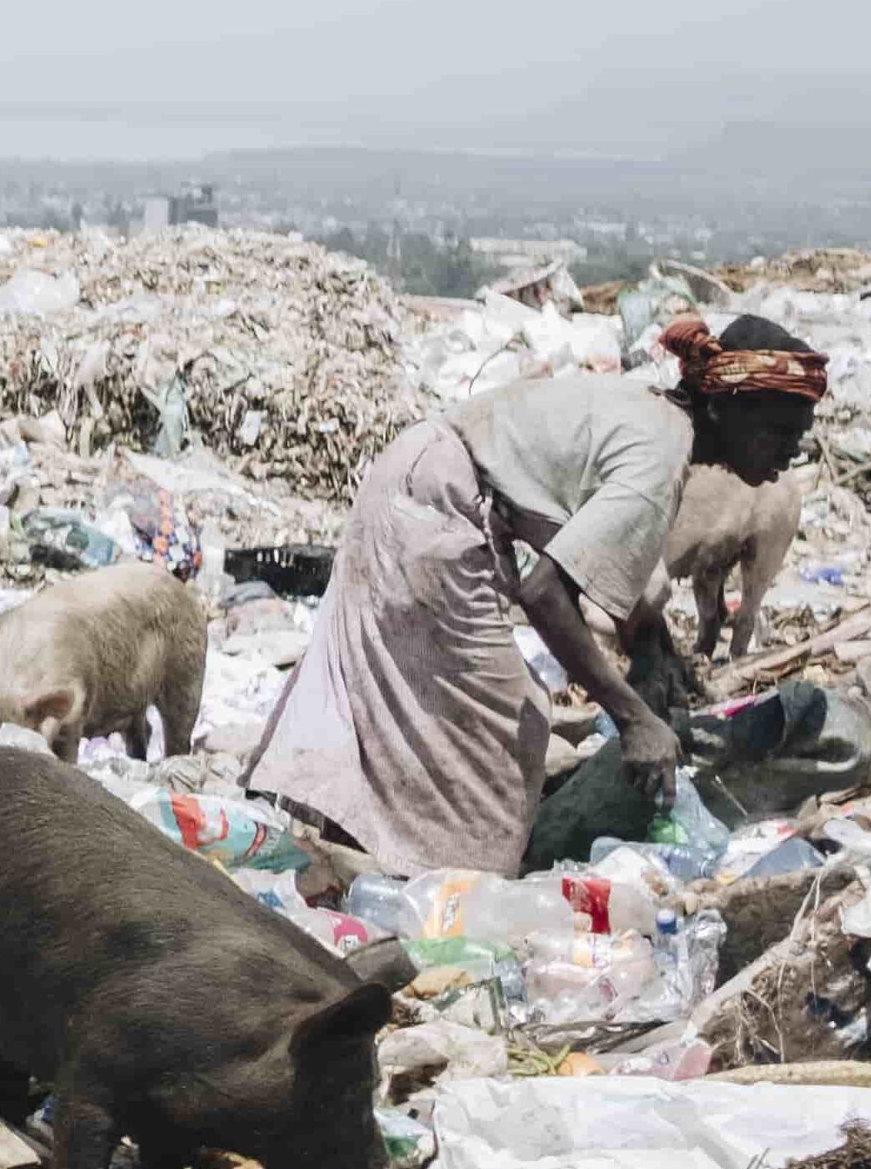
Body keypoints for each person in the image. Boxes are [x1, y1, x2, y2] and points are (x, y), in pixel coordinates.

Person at [249, 311, 825, 872]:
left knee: (416, 703)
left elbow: (594, 555)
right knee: (500, 725)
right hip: (431, 511)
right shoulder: (661, 459)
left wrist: (653, 647)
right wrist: (632, 719)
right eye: (776, 432)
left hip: (419, 481)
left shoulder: (656, 419)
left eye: (797, 437)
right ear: (724, 408)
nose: (788, 453)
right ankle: (453, 875)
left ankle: (366, 844)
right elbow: (545, 591)